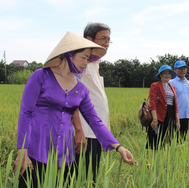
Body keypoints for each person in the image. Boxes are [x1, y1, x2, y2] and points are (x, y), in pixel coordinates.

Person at [13, 32, 135, 188]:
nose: (86, 63)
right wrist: (22, 150)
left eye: (88, 59)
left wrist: (119, 147)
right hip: (36, 151)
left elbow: (94, 120)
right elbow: (26, 113)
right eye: (83, 58)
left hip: (65, 155)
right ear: (69, 55)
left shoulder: (80, 89)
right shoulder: (41, 77)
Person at [72, 22, 112, 182]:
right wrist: (79, 130)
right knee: (81, 178)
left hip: (95, 132)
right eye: (103, 39)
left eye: (109, 40)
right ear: (89, 39)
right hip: (85, 133)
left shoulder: (94, 64)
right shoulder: (81, 64)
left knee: (91, 177)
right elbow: (71, 98)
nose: (107, 44)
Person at [147, 65, 180, 150]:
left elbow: (175, 105)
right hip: (159, 116)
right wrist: (155, 119)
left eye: (169, 73)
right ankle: (152, 161)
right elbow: (152, 103)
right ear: (160, 74)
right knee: (156, 140)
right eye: (165, 73)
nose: (167, 75)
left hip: (170, 115)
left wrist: (177, 121)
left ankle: (164, 160)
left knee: (168, 140)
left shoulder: (172, 87)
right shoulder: (155, 85)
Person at [169, 60, 189, 141]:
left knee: (183, 138)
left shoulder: (188, 83)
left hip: (186, 116)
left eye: (184, 68)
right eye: (180, 69)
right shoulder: (171, 82)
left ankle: (180, 153)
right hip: (175, 116)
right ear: (175, 70)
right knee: (173, 139)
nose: (183, 70)